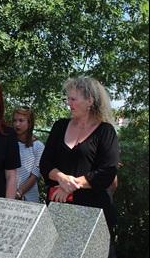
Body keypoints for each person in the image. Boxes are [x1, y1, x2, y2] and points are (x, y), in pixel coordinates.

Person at [39, 76, 119, 238]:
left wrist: (70, 185)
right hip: (58, 205)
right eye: (68, 99)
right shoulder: (59, 126)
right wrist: (61, 178)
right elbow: (45, 163)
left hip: (93, 209)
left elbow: (107, 172)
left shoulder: (106, 131)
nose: (69, 103)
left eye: (73, 99)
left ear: (90, 101)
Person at [12, 107, 45, 202]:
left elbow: (35, 175)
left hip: (29, 198)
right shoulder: (9, 143)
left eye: (21, 120)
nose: (17, 124)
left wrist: (19, 192)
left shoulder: (38, 146)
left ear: (29, 123)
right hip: (8, 194)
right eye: (14, 120)